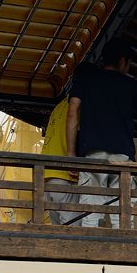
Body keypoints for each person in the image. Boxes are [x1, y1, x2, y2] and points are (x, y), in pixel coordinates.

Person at [65, 41, 137, 228]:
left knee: (91, 210)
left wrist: (70, 153)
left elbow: (72, 112)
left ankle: (90, 252)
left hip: (92, 154)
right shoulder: (132, 85)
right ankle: (125, 252)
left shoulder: (85, 80)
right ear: (123, 61)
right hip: (122, 156)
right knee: (122, 212)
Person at [41, 95, 80, 225]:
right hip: (65, 175)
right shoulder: (77, 103)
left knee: (57, 229)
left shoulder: (59, 106)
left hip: (48, 175)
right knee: (72, 228)